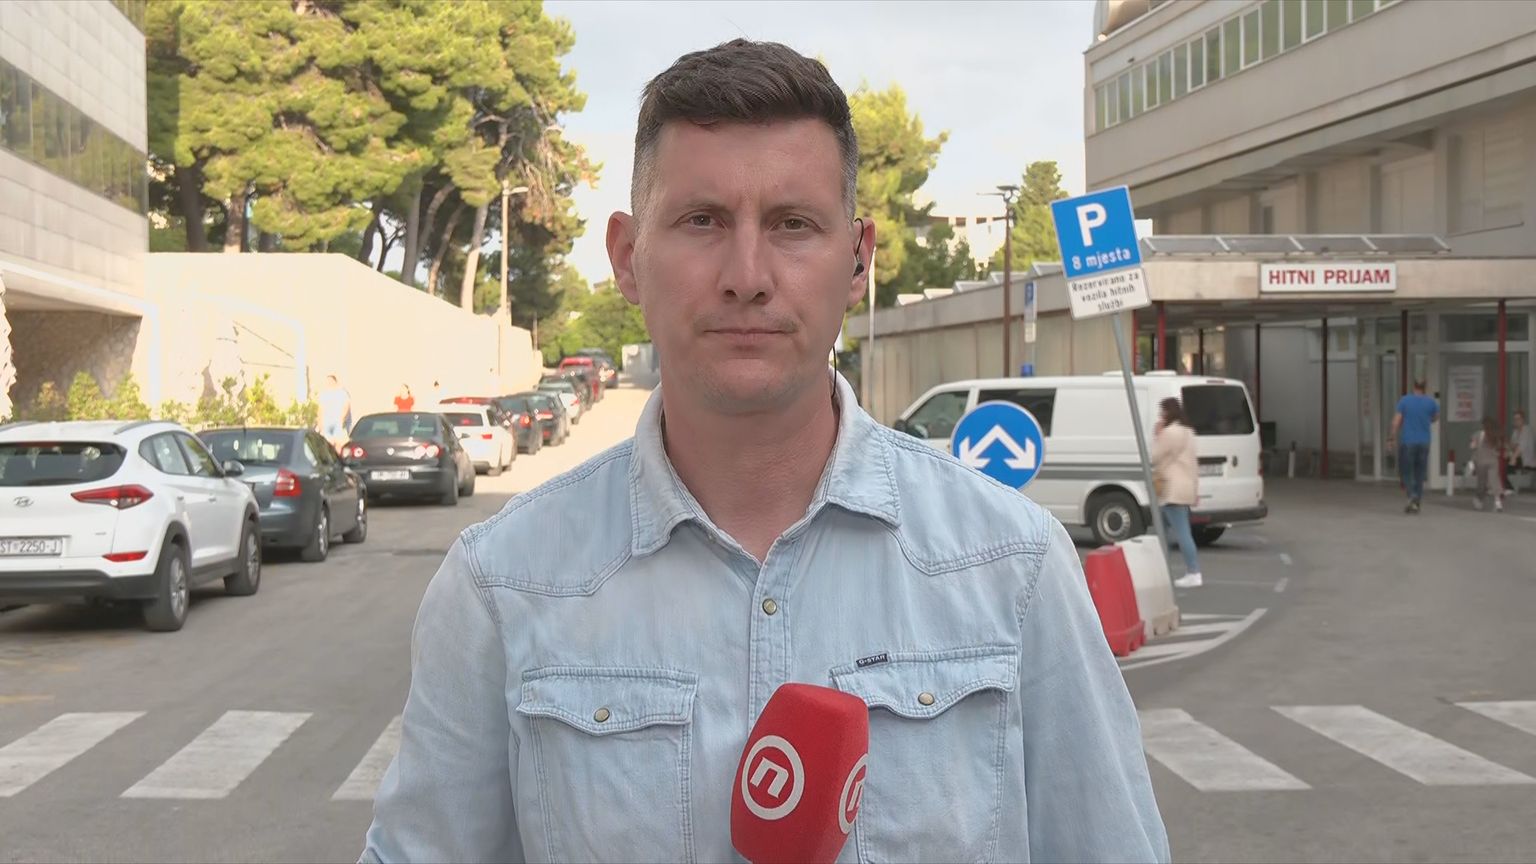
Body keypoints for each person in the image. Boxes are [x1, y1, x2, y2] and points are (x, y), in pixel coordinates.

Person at [360, 39, 1167, 864]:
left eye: (793, 225)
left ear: (858, 260)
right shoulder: (501, 586)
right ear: (628, 259)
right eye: (702, 221)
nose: (747, 275)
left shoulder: (1014, 568)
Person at [1152, 397, 1203, 588]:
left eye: (1162, 412)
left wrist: (1157, 435)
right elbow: (1194, 464)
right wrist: (1195, 490)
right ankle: (1162, 570)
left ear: (1168, 412)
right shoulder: (1189, 432)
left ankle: (1193, 572)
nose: (1160, 416)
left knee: (1181, 533)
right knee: (1162, 531)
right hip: (1185, 487)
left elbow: (1154, 456)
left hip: (1171, 489)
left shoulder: (1169, 433)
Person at [1389, 380, 1438, 514]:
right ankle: (1416, 503)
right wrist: (1425, 419)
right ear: (1425, 388)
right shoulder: (1431, 402)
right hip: (1424, 442)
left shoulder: (1405, 401)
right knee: (1420, 473)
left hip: (1408, 442)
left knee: (1406, 471)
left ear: (1414, 387)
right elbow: (1435, 418)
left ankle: (1412, 496)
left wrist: (1391, 438)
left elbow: (1396, 421)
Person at [1470, 416, 1505, 512]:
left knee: (1482, 483)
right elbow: (1499, 447)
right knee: (1494, 481)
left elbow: (1472, 446)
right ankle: (1498, 502)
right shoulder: (1495, 435)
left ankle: (1479, 500)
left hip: (1481, 461)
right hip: (1493, 461)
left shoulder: (1478, 434)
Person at [317, 373, 351, 450]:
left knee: (338, 442)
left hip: (337, 421)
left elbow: (346, 406)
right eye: (328, 381)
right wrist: (319, 422)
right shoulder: (324, 394)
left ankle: (338, 456)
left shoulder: (342, 392)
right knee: (326, 442)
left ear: (335, 381)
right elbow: (320, 409)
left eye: (331, 381)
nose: (329, 383)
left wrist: (342, 419)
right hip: (326, 421)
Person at [1510, 409, 1535, 493]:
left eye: (1518, 419)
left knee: (1508, 463)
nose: (1516, 421)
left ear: (1523, 419)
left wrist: (1513, 457)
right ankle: (1506, 485)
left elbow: (1521, 447)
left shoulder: (1527, 430)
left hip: (1526, 459)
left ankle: (1510, 486)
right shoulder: (1515, 431)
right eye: (1515, 419)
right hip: (1518, 457)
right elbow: (1512, 445)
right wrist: (1515, 448)